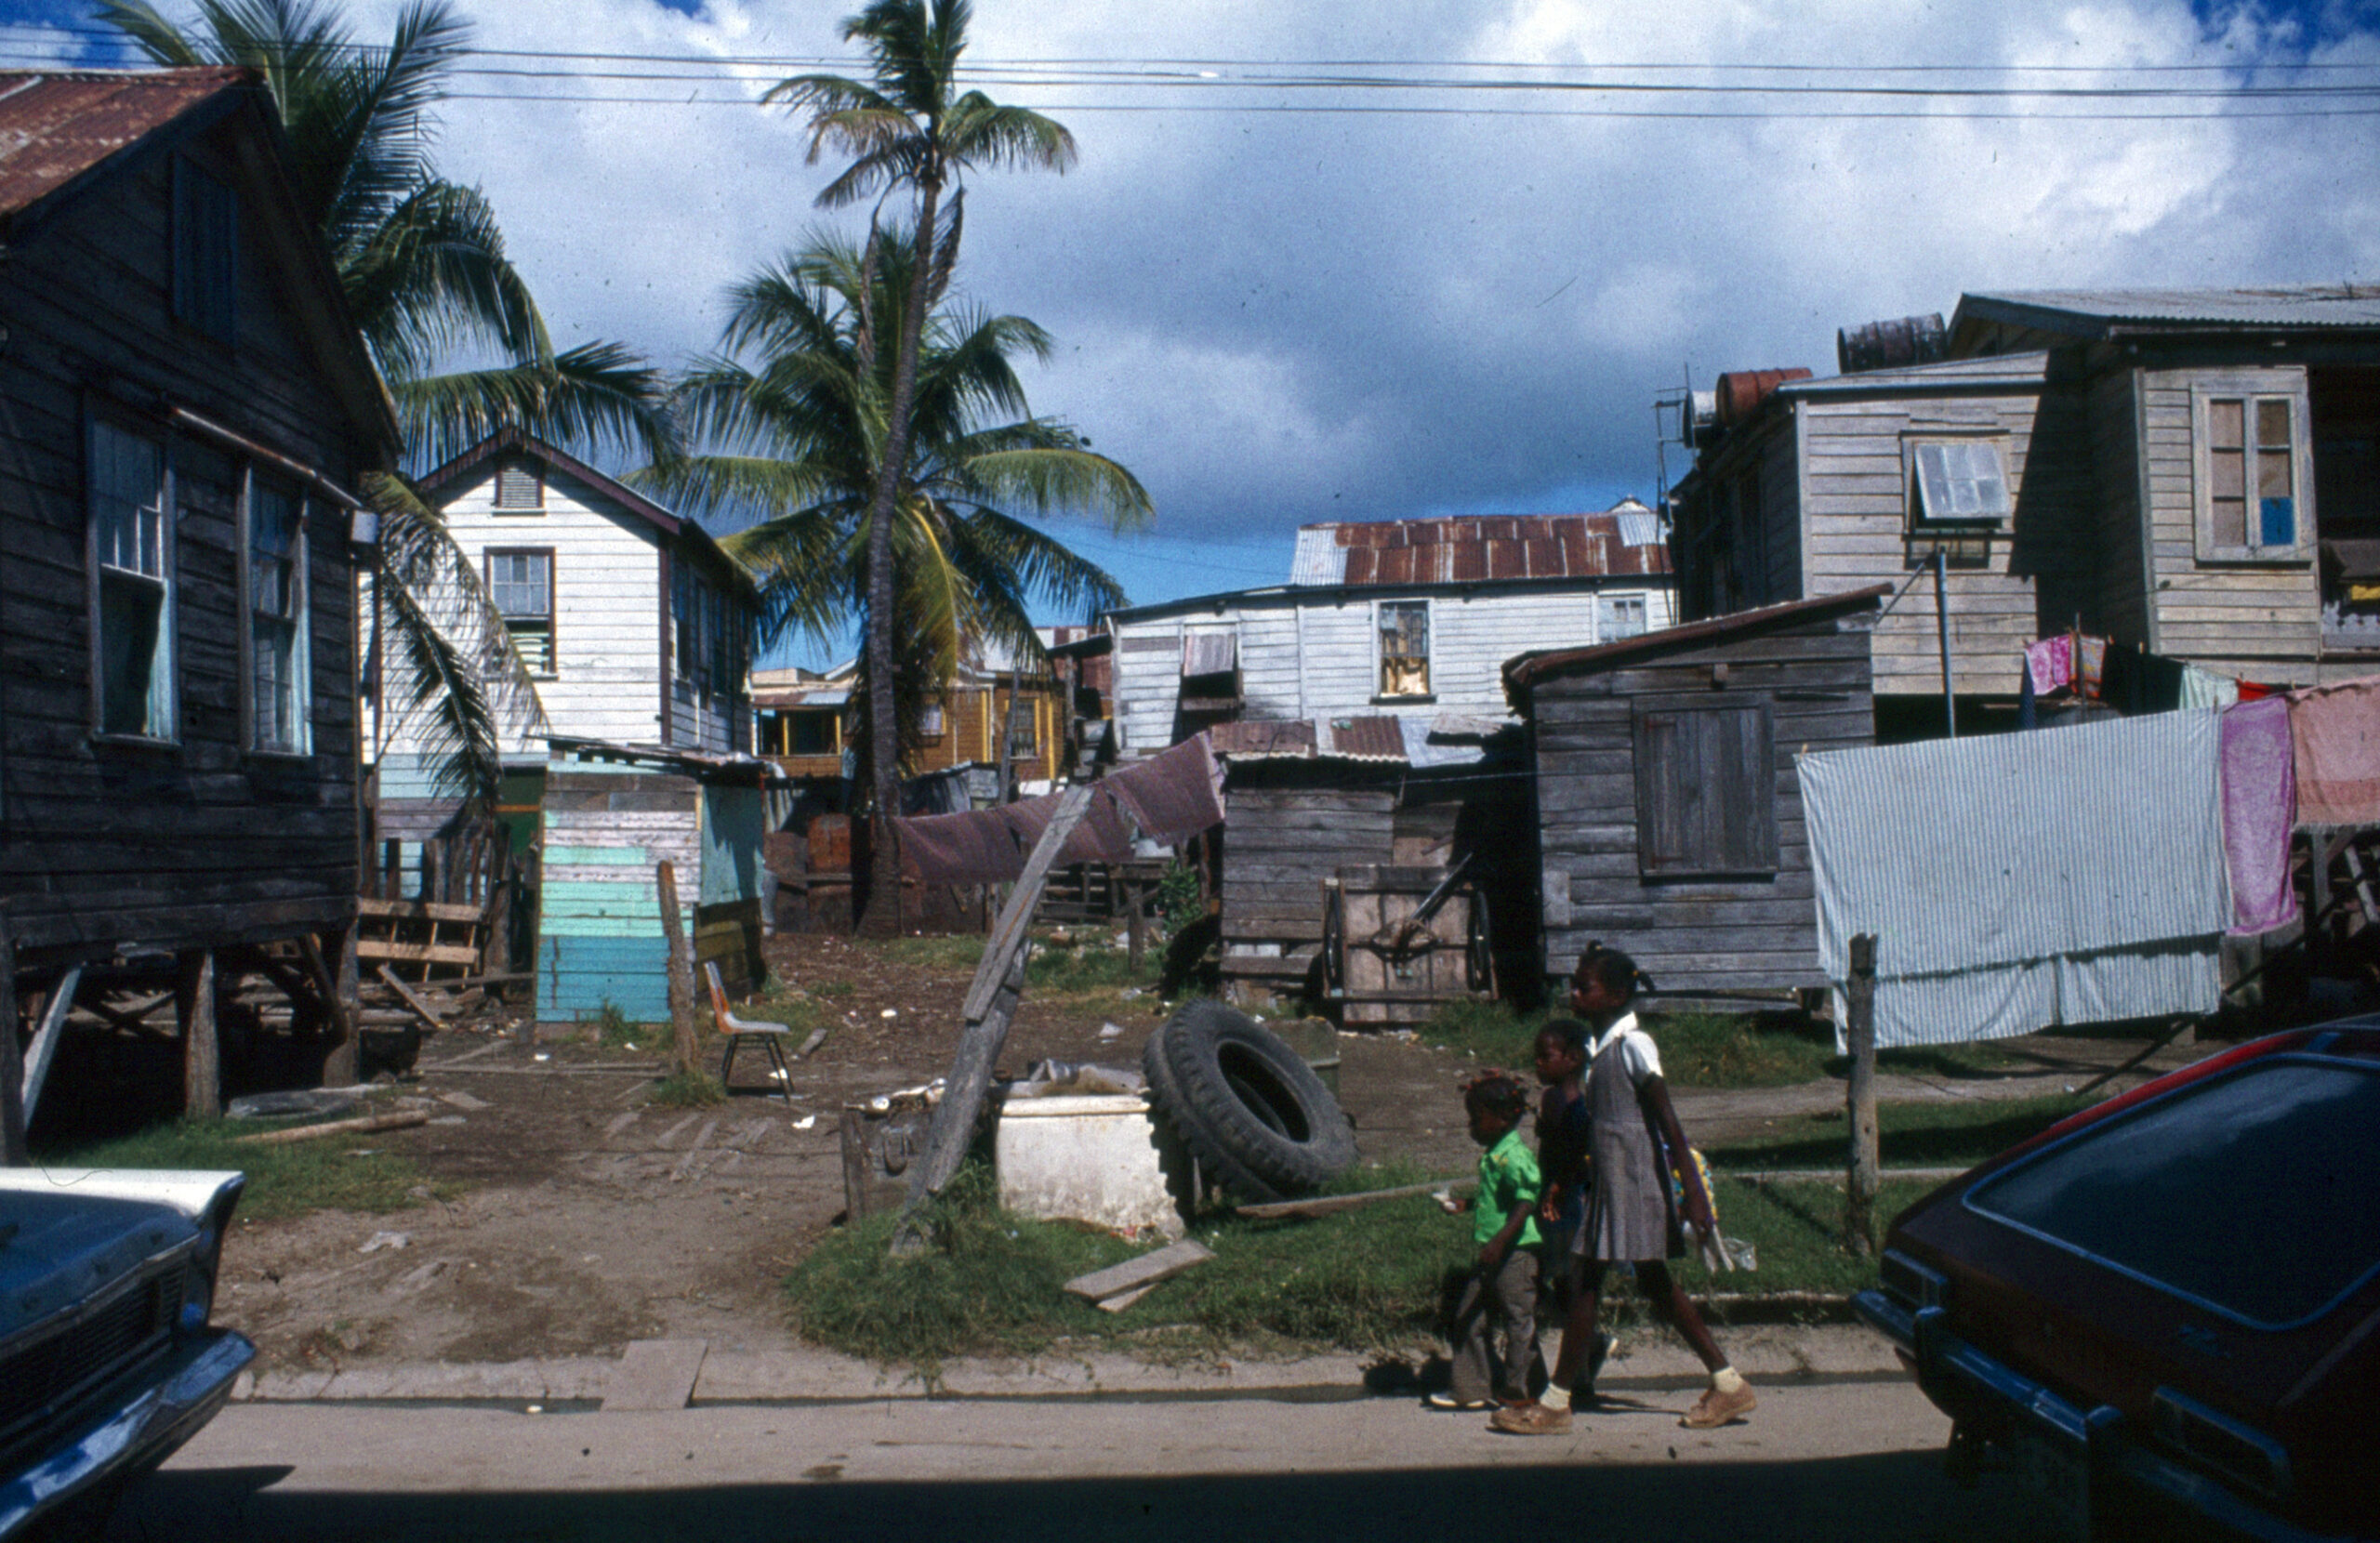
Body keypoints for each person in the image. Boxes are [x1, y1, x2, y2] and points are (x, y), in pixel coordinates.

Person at [1494, 946, 1756, 1434]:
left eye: (1583, 986)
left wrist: (1694, 1194)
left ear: (1615, 994)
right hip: (1611, 1183)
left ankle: (1557, 1404)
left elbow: (1669, 1124)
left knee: (1600, 1282)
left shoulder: (1635, 1046)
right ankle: (1725, 1382)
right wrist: (1567, 1181)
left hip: (1634, 1181)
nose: (1574, 993)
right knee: (1624, 1282)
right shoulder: (1600, 1049)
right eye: (1573, 984)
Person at [1430, 1071, 1543, 1410]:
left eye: (1477, 1120)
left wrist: (1499, 1241)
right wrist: (1466, 1205)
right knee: (1468, 1315)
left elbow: (1525, 1202)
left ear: (1504, 1118)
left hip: (1515, 1255)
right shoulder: (1494, 1154)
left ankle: (1521, 1391)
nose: (1471, 1128)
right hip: (1493, 1253)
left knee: (1517, 1321)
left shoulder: (1515, 1157)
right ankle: (1470, 1388)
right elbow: (1495, 1199)